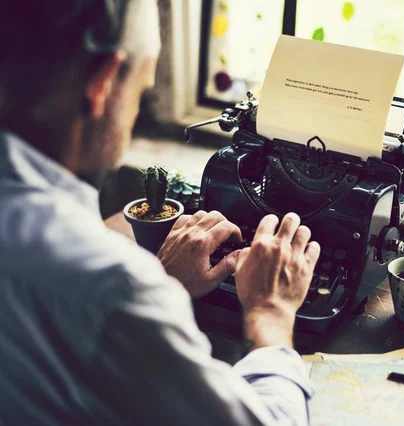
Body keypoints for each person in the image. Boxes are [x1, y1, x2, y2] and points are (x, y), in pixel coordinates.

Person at [0, 1, 320, 425]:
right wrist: (271, 314)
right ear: (103, 83)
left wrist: (163, 285)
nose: (134, 113)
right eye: (142, 90)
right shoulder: (114, 286)